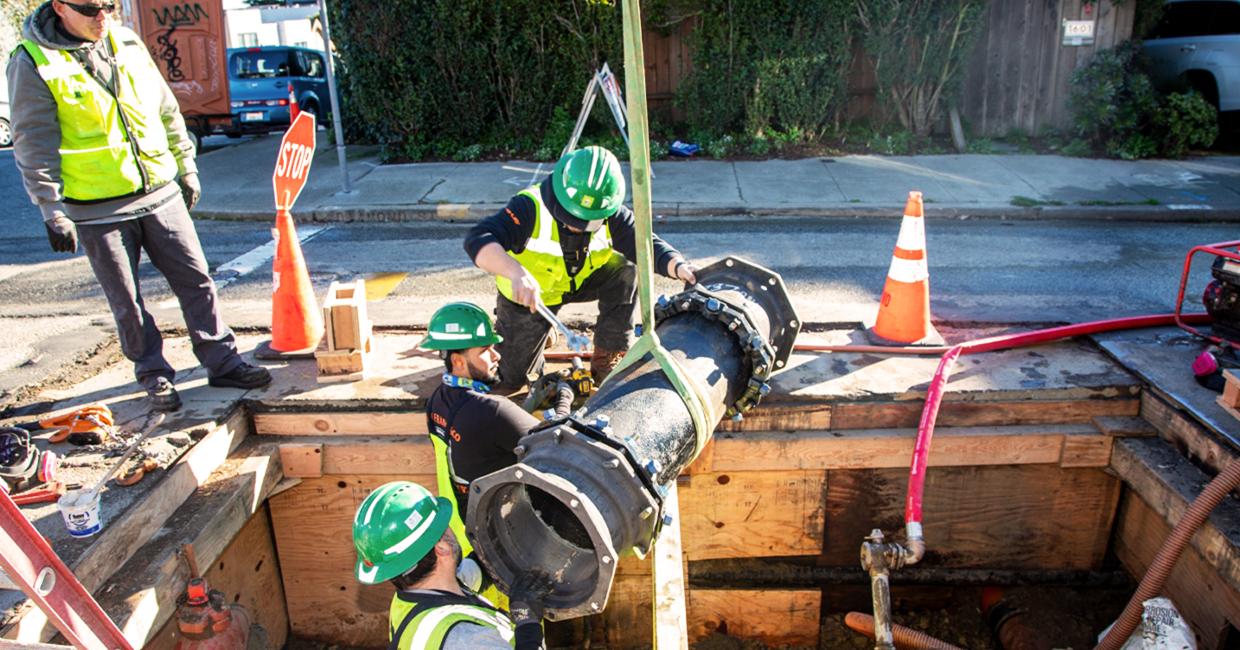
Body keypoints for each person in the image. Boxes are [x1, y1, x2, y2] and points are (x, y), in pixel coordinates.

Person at [7, 0, 271, 412]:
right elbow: (32, 140)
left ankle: (222, 361)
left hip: (159, 191)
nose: (103, 17)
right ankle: (153, 374)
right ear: (60, 7)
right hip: (97, 208)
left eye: (109, 6)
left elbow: (165, 109)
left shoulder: (126, 41)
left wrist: (186, 166)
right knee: (127, 300)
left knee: (197, 279)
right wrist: (51, 208)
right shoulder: (33, 61)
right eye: (92, 9)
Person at [466, 145, 698, 394]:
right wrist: (515, 273)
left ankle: (607, 356)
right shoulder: (529, 207)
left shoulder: (611, 213)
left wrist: (679, 266)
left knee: (626, 269)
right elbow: (477, 239)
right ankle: (543, 330)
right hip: (529, 298)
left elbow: (645, 245)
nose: (578, 227)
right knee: (513, 381)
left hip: (576, 282)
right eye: (572, 218)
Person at [352, 480, 550, 650]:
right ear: (443, 549)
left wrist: (503, 543)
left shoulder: (409, 601)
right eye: (444, 525)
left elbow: (471, 576)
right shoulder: (466, 637)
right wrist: (528, 622)